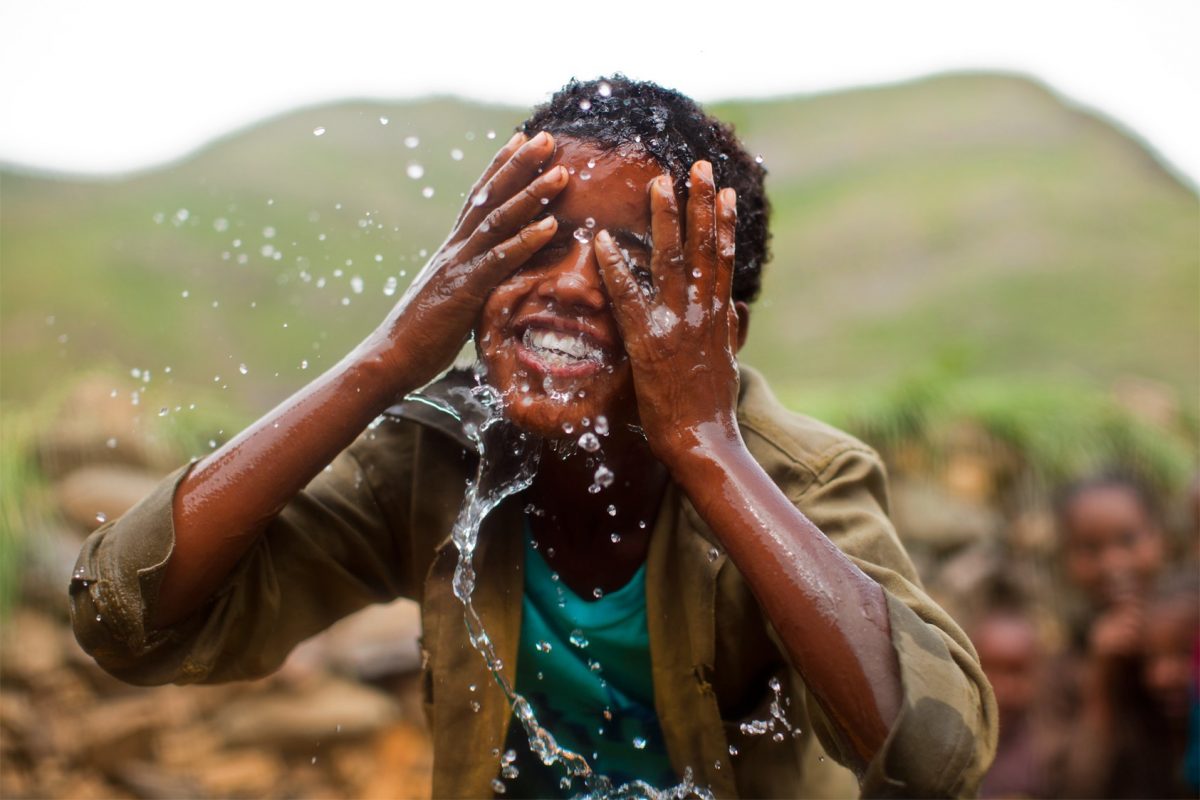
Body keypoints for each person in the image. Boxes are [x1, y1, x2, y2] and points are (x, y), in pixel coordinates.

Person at [69, 77, 996, 798]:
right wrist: (389, 358)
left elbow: (933, 755)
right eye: (535, 239)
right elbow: (125, 620)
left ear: (720, 336)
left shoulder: (800, 477)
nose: (570, 286)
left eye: (634, 263)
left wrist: (706, 445)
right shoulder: (436, 461)